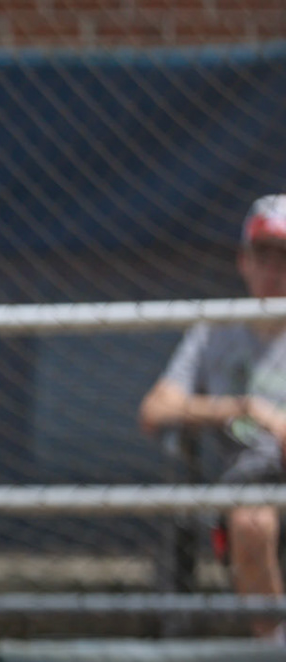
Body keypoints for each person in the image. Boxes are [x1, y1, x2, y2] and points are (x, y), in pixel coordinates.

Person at [139, 194, 286, 637]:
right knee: (251, 520)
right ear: (243, 261)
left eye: (285, 257)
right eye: (264, 255)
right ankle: (277, 658)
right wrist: (243, 409)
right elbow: (153, 411)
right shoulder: (214, 331)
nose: (274, 270)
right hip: (250, 484)